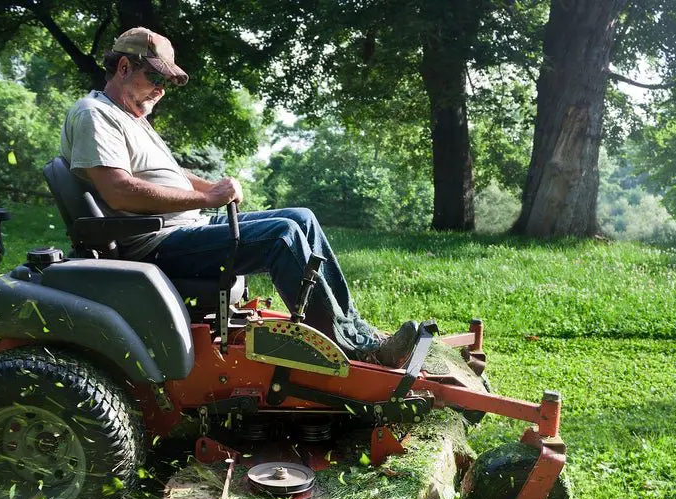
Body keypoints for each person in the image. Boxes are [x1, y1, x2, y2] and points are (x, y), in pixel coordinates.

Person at [60, 26, 418, 367]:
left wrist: (210, 187)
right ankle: (353, 350)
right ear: (124, 67)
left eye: (167, 83)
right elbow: (119, 191)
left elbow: (166, 174)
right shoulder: (96, 115)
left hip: (184, 227)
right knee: (282, 235)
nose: (161, 90)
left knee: (301, 218)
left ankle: (355, 329)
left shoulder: (131, 117)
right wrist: (207, 199)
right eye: (155, 78)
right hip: (155, 242)